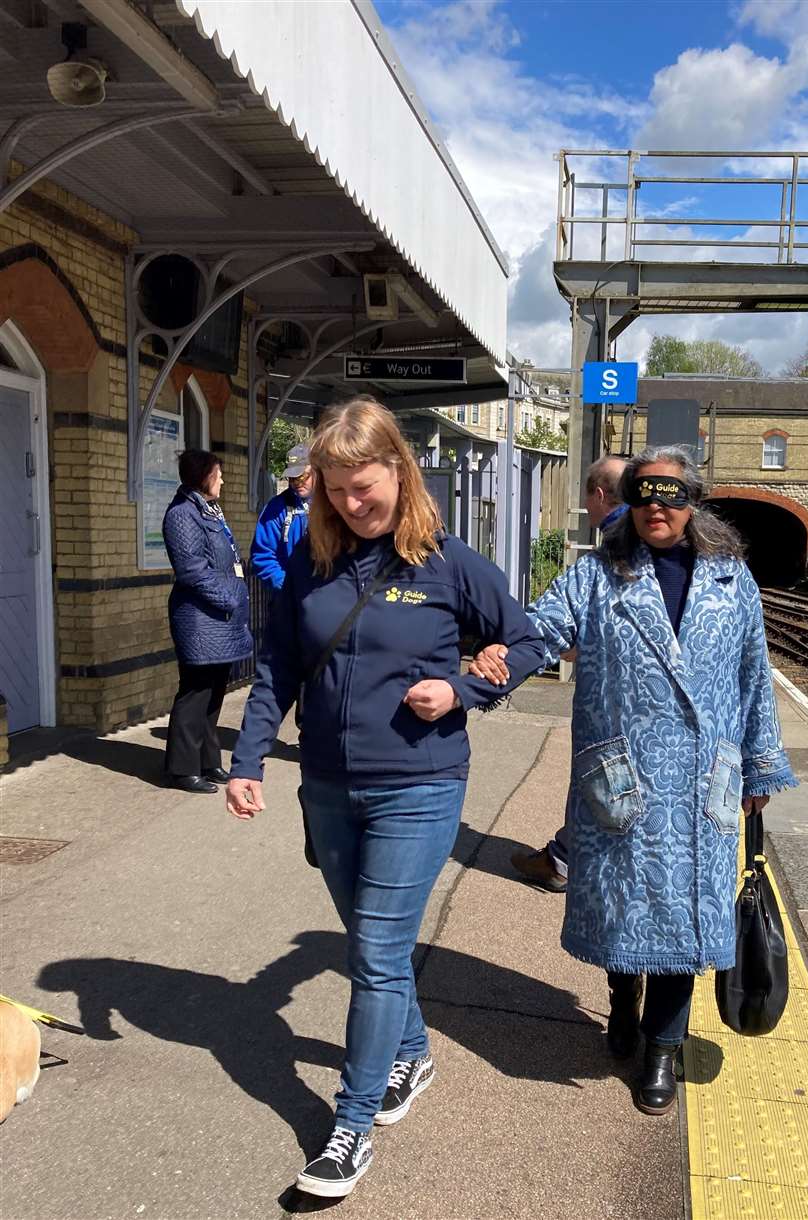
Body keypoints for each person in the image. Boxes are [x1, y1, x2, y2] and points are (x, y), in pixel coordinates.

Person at [224, 397, 545, 1200]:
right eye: (332, 491)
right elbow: (278, 671)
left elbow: (532, 639)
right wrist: (248, 760)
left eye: (361, 487)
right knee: (374, 943)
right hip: (328, 786)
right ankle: (413, 1052)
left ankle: (350, 1126)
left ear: (399, 472)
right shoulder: (311, 563)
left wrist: (464, 689)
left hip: (420, 785)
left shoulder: (448, 563)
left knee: (371, 953)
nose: (348, 505)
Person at [470, 446, 796, 1115]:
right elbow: (539, 628)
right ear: (629, 497)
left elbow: (754, 678)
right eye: (645, 493)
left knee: (684, 918)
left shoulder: (733, 581)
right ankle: (624, 1003)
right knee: (624, 909)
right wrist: (491, 655)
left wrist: (760, 765)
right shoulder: (596, 576)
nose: (657, 506)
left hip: (704, 781)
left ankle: (662, 1049)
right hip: (622, 777)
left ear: (693, 501)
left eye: (672, 494)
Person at [508, 454, 627, 893]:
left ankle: (565, 862)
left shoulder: (605, 557)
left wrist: (472, 684)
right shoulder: (704, 563)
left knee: (598, 778)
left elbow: (543, 630)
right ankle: (566, 855)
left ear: (597, 495)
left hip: (610, 705)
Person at [162, 449, 252, 794]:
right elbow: (192, 572)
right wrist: (230, 597)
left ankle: (208, 760)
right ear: (203, 477)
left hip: (218, 618)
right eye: (218, 474)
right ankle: (182, 769)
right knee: (194, 692)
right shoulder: (182, 515)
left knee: (214, 691)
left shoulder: (208, 510)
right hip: (200, 619)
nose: (223, 480)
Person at [250, 445, 313, 591]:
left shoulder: (333, 503)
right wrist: (287, 587)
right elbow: (263, 555)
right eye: (292, 478)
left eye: (302, 477)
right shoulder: (276, 508)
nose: (297, 483)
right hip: (289, 600)